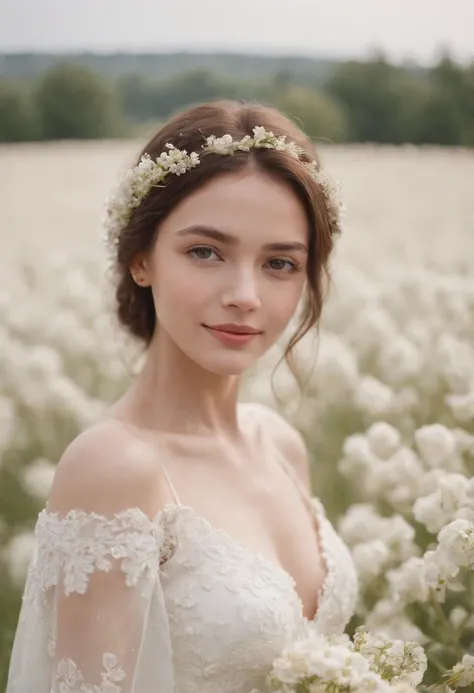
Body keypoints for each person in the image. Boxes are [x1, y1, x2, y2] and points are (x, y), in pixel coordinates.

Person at [6, 100, 357, 693]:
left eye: (279, 263)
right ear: (141, 258)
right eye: (205, 252)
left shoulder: (281, 446)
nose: (244, 294)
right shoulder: (115, 468)